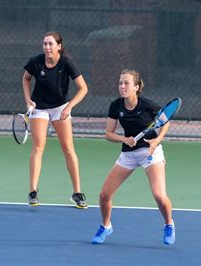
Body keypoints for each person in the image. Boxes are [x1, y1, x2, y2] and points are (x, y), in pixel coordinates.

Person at [91, 69, 175, 245]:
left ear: (136, 87)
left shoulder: (147, 105)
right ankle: (106, 226)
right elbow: (108, 133)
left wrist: (156, 140)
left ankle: (169, 224)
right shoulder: (116, 106)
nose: (122, 86)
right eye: (120, 83)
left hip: (150, 152)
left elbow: (165, 122)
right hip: (128, 154)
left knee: (159, 195)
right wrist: (124, 139)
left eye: (126, 83)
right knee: (104, 195)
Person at [21, 31, 89, 209]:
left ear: (59, 46)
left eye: (51, 44)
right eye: (45, 44)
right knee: (38, 147)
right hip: (39, 108)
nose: (47, 47)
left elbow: (83, 88)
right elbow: (26, 78)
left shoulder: (67, 62)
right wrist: (28, 99)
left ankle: (77, 193)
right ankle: (33, 191)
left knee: (68, 148)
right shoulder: (36, 62)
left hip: (60, 107)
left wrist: (68, 107)